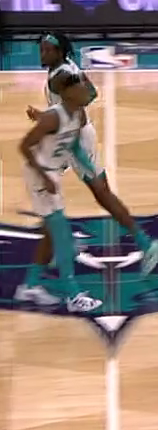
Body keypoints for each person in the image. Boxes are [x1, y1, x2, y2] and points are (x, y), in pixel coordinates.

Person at [16, 34, 158, 308]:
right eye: (41, 49)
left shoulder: (59, 77)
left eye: (47, 50)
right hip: (67, 136)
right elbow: (91, 93)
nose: (42, 53)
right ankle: (58, 254)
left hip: (73, 139)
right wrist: (50, 116)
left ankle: (145, 243)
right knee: (60, 209)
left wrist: (58, 121)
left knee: (99, 195)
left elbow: (82, 103)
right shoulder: (67, 68)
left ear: (60, 52)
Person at [17, 58, 102, 313]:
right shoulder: (53, 118)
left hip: (51, 175)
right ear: (68, 94)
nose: (85, 92)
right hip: (39, 176)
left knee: (52, 235)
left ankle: (30, 286)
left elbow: (74, 145)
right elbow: (24, 146)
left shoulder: (77, 115)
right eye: (80, 89)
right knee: (62, 235)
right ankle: (73, 295)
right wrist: (44, 177)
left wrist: (90, 169)